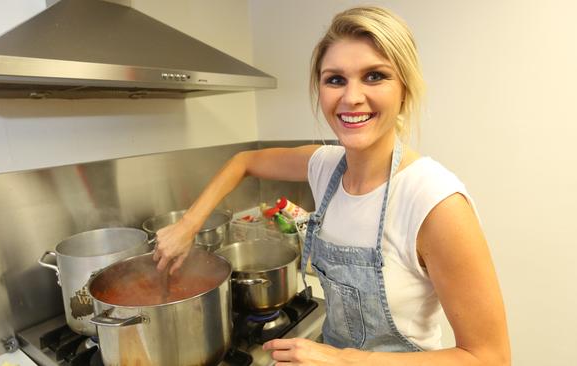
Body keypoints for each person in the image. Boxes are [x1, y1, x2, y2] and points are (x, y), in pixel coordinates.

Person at [152, 6, 510, 365]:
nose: (351, 97)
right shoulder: (324, 167)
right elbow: (243, 162)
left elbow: (490, 357)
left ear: (404, 89)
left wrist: (345, 360)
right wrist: (187, 226)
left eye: (374, 76)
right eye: (335, 79)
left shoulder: (434, 202)